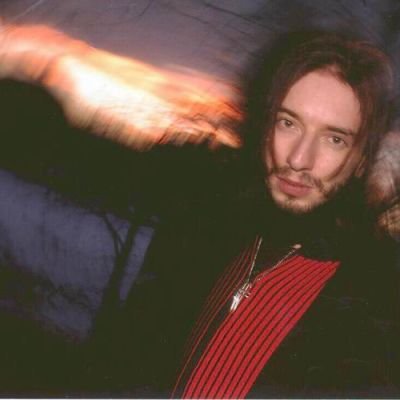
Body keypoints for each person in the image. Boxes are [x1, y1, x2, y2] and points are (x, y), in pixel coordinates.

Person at [0, 24, 398, 398]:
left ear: (361, 160)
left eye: (334, 139)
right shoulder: (201, 237)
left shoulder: (371, 312)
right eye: (288, 123)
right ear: (265, 126)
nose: (299, 158)